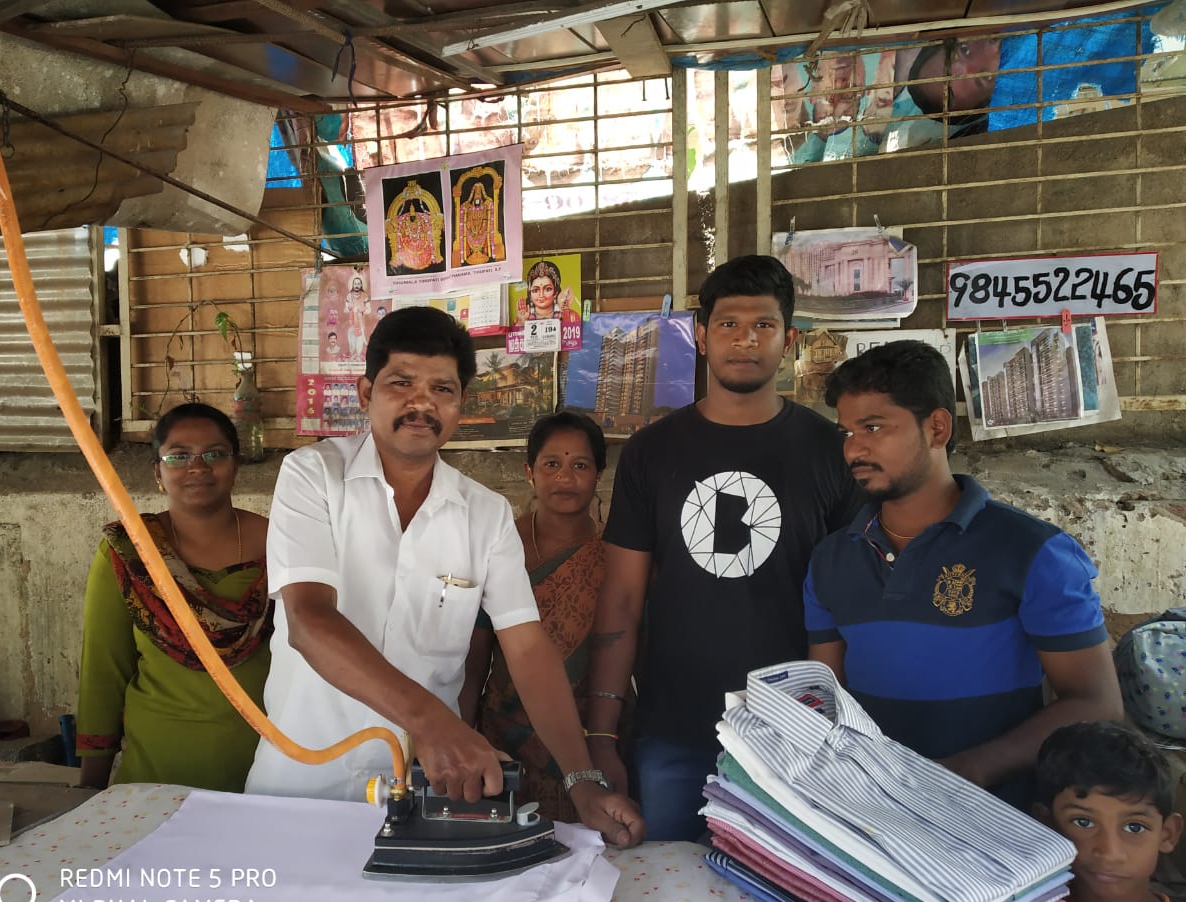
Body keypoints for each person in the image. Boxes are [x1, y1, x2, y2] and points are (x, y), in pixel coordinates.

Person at [245, 307, 644, 848]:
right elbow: (310, 622)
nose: (421, 403)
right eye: (401, 383)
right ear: (366, 393)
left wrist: (580, 780)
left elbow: (527, 648)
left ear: (460, 406)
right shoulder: (313, 476)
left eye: (442, 389)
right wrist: (435, 722)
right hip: (298, 788)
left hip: (424, 797)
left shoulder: (485, 514)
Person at [586, 254, 860, 841]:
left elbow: (847, 606)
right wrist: (602, 734)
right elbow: (623, 599)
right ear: (702, 336)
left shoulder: (831, 453)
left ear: (788, 340)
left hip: (795, 736)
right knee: (668, 895)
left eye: (763, 325)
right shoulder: (650, 453)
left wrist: (834, 730)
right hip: (674, 730)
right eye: (730, 324)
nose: (746, 340)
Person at [804, 340, 1123, 809]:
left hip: (1001, 820)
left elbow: (1097, 704)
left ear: (936, 427)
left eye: (873, 427)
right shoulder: (830, 560)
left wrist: (966, 771)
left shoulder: (1033, 551)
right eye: (847, 432)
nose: (855, 449)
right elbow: (827, 694)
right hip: (871, 814)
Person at [76, 402, 272, 791]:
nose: (197, 467)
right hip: (158, 772)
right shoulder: (130, 552)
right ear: (158, 472)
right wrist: (91, 789)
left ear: (235, 465)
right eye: (179, 455)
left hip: (265, 769)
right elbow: (104, 670)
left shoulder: (279, 543)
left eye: (214, 454)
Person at [459, 412, 614, 823]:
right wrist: (463, 730)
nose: (565, 476)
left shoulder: (617, 558)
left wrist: (608, 740)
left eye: (580, 465)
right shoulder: (499, 547)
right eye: (552, 464)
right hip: (504, 739)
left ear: (598, 473)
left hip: (591, 737)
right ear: (529, 472)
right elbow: (474, 658)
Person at [1035, 721, 1184, 902]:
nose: (1109, 851)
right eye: (1083, 822)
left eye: (1134, 827)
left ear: (1167, 835)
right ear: (1047, 826)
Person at [517, 259, 581, 325]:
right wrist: (522, 321)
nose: (541, 295)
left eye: (547, 289)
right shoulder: (521, 319)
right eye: (535, 290)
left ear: (556, 292)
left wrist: (565, 316)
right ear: (530, 294)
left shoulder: (571, 316)